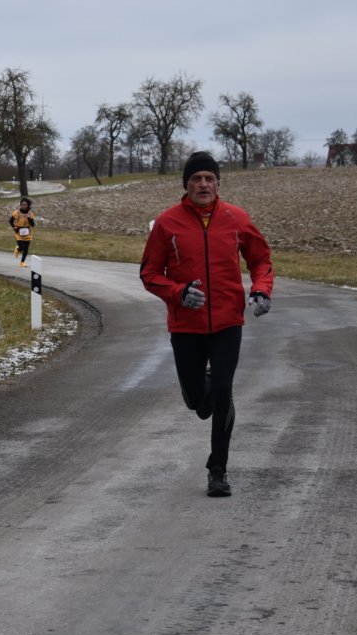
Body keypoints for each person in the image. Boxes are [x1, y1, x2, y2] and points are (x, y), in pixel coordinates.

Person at [139, 151, 274, 498]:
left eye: (209, 178)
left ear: (218, 184)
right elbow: (149, 274)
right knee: (197, 401)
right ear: (186, 184)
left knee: (225, 390)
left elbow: (261, 259)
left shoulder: (236, 219)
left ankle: (218, 470)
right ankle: (204, 388)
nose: (203, 184)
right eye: (196, 178)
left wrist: (261, 289)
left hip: (228, 321)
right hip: (186, 325)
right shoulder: (167, 223)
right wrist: (178, 293)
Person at [9, 197, 35, 267]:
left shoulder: (30, 213)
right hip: (18, 232)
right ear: (20, 205)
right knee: (21, 247)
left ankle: (22, 262)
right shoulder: (17, 212)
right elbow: (10, 221)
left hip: (27, 232)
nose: (24, 206)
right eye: (22, 204)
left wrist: (29, 218)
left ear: (28, 205)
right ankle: (18, 249)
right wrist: (14, 227)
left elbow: (33, 225)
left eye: (25, 205)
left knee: (26, 248)